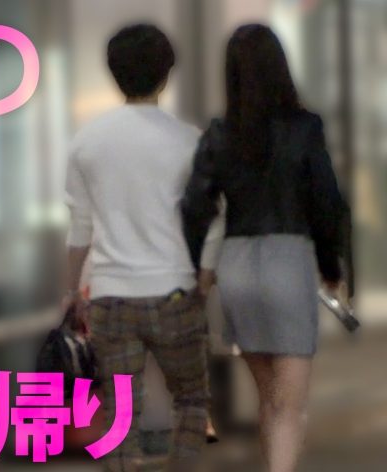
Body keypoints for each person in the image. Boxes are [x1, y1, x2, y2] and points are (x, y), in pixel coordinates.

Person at [182, 24, 347, 472]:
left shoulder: (220, 134)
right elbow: (326, 202)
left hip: (237, 266)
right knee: (289, 406)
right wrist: (331, 266)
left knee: (270, 399)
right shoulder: (305, 128)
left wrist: (199, 266)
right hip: (288, 262)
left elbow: (195, 205)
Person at [63, 24, 221, 471]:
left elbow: (79, 229)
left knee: (120, 413)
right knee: (191, 400)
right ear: (166, 73)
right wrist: (205, 277)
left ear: (114, 73)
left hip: (111, 296)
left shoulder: (87, 142)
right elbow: (213, 218)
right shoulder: (190, 141)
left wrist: (71, 292)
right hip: (175, 291)